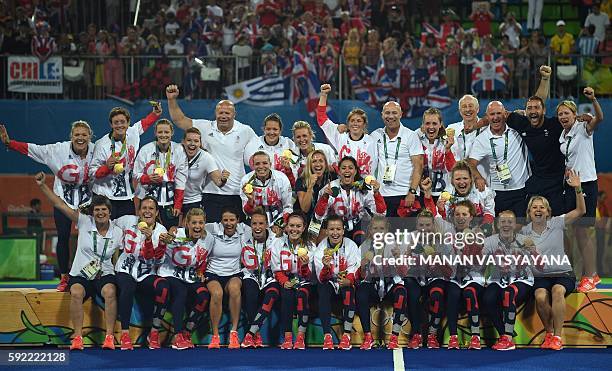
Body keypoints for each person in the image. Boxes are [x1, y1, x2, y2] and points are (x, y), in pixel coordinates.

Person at [0, 121, 94, 292]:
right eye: (77, 135)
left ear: (90, 136)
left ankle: (92, 275)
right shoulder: (57, 151)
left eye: (84, 135)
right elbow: (33, 149)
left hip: (88, 203)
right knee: (63, 237)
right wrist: (9, 143)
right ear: (71, 136)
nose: (80, 138)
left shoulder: (97, 151)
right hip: (62, 201)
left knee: (89, 239)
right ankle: (64, 277)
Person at [35, 172, 121, 351]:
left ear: (109, 213)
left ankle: (110, 337)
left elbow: (118, 256)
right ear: (92, 212)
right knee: (75, 292)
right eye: (97, 210)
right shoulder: (84, 222)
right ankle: (77, 337)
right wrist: (43, 186)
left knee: (110, 291)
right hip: (81, 273)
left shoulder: (118, 231)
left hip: (104, 273)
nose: (100, 213)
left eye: (104, 210)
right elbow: (59, 204)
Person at [166, 85, 257, 222]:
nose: (224, 116)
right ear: (216, 113)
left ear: (234, 114)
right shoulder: (204, 127)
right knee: (210, 233)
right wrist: (172, 100)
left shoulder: (246, 131)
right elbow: (180, 120)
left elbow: (259, 153)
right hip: (210, 193)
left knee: (239, 233)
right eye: (221, 113)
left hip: (237, 193)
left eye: (227, 113)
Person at [522, 170, 585, 351]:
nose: (538, 210)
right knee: (540, 297)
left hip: (562, 273)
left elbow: (581, 211)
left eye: (542, 207)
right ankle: (549, 333)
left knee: (557, 291)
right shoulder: (524, 232)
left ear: (548, 212)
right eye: (535, 207)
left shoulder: (557, 222)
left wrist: (578, 189)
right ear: (529, 212)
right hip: (540, 276)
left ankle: (558, 337)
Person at [558, 88, 604, 292]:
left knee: (583, 232)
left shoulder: (583, 127)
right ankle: (584, 274)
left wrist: (593, 99)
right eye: (560, 114)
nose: (562, 117)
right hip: (571, 185)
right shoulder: (563, 134)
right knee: (574, 232)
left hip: (586, 183)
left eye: (566, 113)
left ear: (574, 114)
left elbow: (599, 118)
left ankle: (591, 275)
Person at [113, 196, 170, 350]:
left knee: (163, 288)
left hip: (146, 273)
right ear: (138, 211)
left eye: (151, 208)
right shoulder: (127, 220)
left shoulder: (161, 231)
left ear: (157, 212)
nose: (147, 211)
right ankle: (125, 333)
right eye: (144, 208)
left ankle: (154, 332)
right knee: (128, 288)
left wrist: (149, 238)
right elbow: (109, 224)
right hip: (125, 269)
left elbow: (156, 261)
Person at [90, 105, 162, 219]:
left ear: (128, 123)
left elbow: (144, 124)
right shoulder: (102, 145)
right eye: (116, 122)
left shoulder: (132, 133)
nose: (119, 125)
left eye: (123, 122)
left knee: (126, 231)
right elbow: (92, 173)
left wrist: (155, 114)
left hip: (126, 196)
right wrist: (106, 167)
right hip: (105, 196)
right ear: (111, 124)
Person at [157, 208, 212, 350]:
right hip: (171, 273)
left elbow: (203, 259)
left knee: (204, 296)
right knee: (181, 292)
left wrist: (201, 271)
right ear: (187, 223)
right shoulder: (176, 233)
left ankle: (187, 332)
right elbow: (164, 245)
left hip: (190, 277)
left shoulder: (208, 239)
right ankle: (177, 336)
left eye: (200, 223)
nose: (197, 226)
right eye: (194, 223)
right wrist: (165, 239)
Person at [482, 210, 537, 351]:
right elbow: (478, 263)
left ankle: (507, 338)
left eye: (510, 222)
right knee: (487, 298)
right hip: (498, 279)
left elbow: (540, 265)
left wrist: (533, 251)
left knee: (508, 294)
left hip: (522, 279)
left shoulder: (525, 240)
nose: (506, 225)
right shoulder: (490, 241)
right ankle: (504, 334)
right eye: (503, 222)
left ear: (515, 225)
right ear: (498, 224)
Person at [468, 101, 531, 217]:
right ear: (487, 117)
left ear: (505, 114)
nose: (496, 117)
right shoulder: (482, 139)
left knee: (520, 227)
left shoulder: (517, 130)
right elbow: (470, 163)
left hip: (521, 190)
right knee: (499, 228)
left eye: (499, 113)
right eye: (492, 114)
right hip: (497, 193)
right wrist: (478, 177)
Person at [314, 156, 386, 244]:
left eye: (350, 168)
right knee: (324, 243)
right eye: (343, 168)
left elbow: (381, 213)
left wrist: (377, 194)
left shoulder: (364, 188)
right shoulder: (330, 188)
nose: (347, 170)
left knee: (361, 241)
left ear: (355, 171)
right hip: (336, 225)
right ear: (339, 172)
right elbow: (319, 216)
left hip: (359, 223)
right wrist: (325, 198)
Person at [270, 212, 316, 349]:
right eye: (291, 226)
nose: (294, 229)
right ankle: (288, 337)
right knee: (286, 296)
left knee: (302, 296)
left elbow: (310, 276)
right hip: (287, 280)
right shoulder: (278, 243)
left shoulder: (310, 246)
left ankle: (301, 337)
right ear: (286, 227)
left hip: (305, 282)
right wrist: (284, 281)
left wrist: (305, 265)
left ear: (303, 228)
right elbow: (276, 269)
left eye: (298, 226)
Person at [314, 215, 361, 350]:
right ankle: (327, 336)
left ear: (343, 230)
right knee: (323, 291)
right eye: (332, 229)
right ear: (327, 231)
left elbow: (355, 267)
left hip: (344, 280)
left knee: (348, 292)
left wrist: (349, 280)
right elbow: (321, 278)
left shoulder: (351, 245)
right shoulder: (321, 248)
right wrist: (325, 267)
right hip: (328, 281)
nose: (335, 233)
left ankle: (346, 335)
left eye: (338, 229)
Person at [371, 101, 424, 217]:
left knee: (406, 234)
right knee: (385, 234)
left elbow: (418, 166)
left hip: (405, 194)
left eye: (394, 113)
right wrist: (344, 129)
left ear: (401, 114)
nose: (390, 116)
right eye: (387, 113)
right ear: (382, 115)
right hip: (382, 194)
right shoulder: (375, 135)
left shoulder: (410, 136)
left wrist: (412, 191)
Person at [204, 208, 248, 349]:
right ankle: (215, 336)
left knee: (235, 289)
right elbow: (193, 225)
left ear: (238, 220)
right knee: (217, 294)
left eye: (232, 220)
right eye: (225, 220)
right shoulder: (211, 229)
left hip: (234, 273)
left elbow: (263, 227)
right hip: (213, 273)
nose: (229, 223)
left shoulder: (244, 230)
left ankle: (234, 333)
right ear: (221, 221)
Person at [133, 119, 188, 228]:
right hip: (148, 202)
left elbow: (181, 180)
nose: (163, 135)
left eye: (166, 132)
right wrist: (147, 178)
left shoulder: (179, 150)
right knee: (148, 232)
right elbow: (135, 174)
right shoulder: (146, 150)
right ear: (155, 133)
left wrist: (177, 204)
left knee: (170, 234)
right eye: (160, 132)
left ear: (172, 133)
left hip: (170, 203)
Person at [317, 84, 377, 175]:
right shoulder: (340, 136)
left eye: (359, 121)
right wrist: (323, 95)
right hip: (344, 185)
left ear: (364, 124)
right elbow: (321, 119)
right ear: (348, 124)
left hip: (366, 186)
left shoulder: (372, 141)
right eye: (352, 120)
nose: (355, 123)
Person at [240, 209, 279, 348]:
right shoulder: (243, 238)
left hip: (270, 277)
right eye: (254, 223)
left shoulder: (276, 239)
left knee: (272, 294)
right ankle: (256, 335)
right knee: (250, 294)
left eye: (261, 223)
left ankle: (250, 334)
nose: (257, 227)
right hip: (251, 275)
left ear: (267, 224)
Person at [181, 127, 229, 215]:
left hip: (193, 201)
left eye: (196, 141)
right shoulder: (176, 153)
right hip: (173, 201)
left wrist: (223, 179)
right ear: (183, 142)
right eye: (189, 140)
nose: (192, 144)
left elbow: (218, 182)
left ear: (200, 143)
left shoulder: (206, 158)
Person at [240, 151, 293, 226]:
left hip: (278, 221)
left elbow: (288, 207)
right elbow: (247, 213)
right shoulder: (246, 181)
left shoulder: (282, 178)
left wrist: (279, 225)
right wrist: (250, 201)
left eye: (265, 163)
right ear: (253, 165)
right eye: (257, 164)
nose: (261, 166)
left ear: (270, 164)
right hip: (256, 223)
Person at [437, 161, 496, 229]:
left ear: (471, 179)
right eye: (458, 179)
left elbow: (489, 214)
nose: (462, 182)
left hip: (479, 230)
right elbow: (445, 221)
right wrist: (441, 211)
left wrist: (481, 231)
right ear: (452, 181)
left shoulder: (483, 191)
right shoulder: (446, 195)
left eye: (465, 178)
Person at [244, 113, 297, 180]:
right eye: (268, 129)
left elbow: (295, 167)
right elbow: (249, 164)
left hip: (283, 185)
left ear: (280, 130)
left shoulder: (288, 144)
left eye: (275, 129)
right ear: (264, 129)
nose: (271, 132)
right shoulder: (253, 144)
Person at [418, 107, 456, 198]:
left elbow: (453, 169)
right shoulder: (416, 141)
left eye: (434, 123)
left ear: (440, 124)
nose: (431, 127)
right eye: (427, 123)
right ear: (423, 125)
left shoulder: (449, 142)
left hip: (444, 195)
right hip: (422, 194)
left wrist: (447, 150)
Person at [295, 150, 337, 226]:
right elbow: (305, 209)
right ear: (309, 165)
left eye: (321, 161)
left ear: (325, 164)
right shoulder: (301, 180)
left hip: (324, 219)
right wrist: (310, 186)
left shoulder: (331, 177)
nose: (318, 164)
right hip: (305, 220)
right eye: (314, 161)